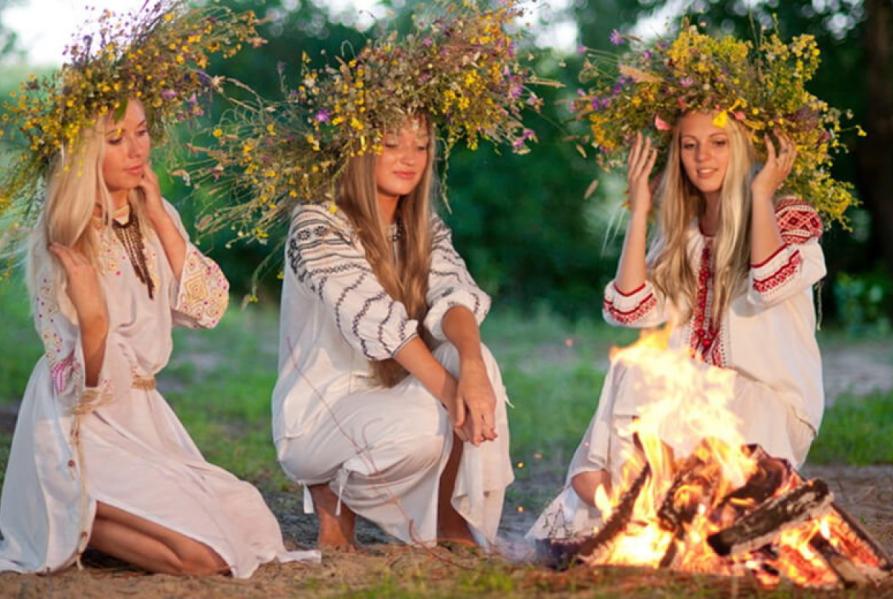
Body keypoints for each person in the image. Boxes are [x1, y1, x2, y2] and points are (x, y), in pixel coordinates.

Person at [0, 2, 318, 575]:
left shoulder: (156, 214)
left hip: (146, 417)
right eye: (116, 139)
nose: (137, 150)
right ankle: (68, 507)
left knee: (248, 522)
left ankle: (92, 518)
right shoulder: (66, 238)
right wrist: (94, 322)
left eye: (141, 133)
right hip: (80, 428)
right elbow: (78, 392)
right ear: (83, 150)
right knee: (199, 558)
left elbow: (208, 309)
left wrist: (165, 222)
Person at [528, 24, 850, 540]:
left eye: (720, 142)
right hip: (693, 401)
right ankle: (631, 505)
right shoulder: (682, 237)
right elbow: (629, 311)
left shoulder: (789, 219)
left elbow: (769, 284)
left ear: (744, 146)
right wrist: (641, 210)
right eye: (690, 145)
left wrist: (763, 192)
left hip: (765, 408)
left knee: (680, 436)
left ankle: (643, 500)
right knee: (635, 366)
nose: (703, 157)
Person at [275, 117, 513, 549]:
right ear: (357, 147)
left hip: (390, 396)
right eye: (390, 143)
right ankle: (331, 492)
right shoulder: (317, 223)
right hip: (321, 411)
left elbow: (454, 293)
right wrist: (452, 393)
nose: (409, 158)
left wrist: (473, 370)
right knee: (426, 427)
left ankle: (448, 519)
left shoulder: (423, 227)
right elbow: (375, 319)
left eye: (421, 146)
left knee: (477, 362)